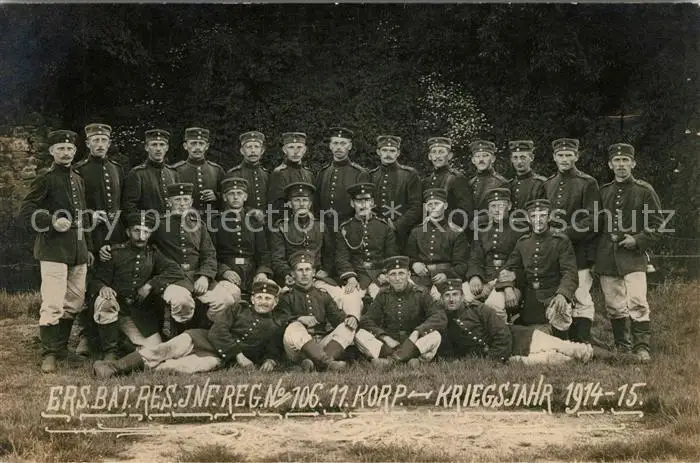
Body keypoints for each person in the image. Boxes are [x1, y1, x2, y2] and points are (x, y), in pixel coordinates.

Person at [93, 280, 287, 378]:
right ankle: (112, 368)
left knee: (179, 368)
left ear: (275, 302)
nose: (263, 302)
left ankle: (133, 370)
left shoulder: (274, 326)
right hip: (201, 338)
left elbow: (272, 350)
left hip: (218, 357)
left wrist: (270, 361)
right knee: (162, 350)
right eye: (259, 297)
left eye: (268, 298)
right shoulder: (238, 308)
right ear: (252, 299)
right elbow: (218, 331)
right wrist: (239, 355)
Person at [19, 130, 94, 373]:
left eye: (70, 149)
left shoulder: (78, 179)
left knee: (74, 302)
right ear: (52, 151)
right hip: (53, 249)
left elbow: (83, 216)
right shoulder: (46, 178)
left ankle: (61, 349)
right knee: (53, 302)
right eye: (61, 148)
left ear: (75, 151)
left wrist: (88, 247)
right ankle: (49, 353)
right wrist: (51, 220)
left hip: (78, 249)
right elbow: (26, 209)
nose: (66, 153)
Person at [87, 212, 188, 359]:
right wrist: (103, 287)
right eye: (136, 231)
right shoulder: (114, 252)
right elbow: (96, 280)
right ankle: (110, 351)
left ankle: (124, 342)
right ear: (128, 232)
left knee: (154, 349)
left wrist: (151, 284)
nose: (141, 236)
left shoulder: (153, 253)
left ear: (150, 234)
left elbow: (175, 270)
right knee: (105, 301)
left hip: (137, 313)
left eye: (146, 232)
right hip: (116, 306)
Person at [596, 143, 663, 362]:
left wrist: (638, 240)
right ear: (610, 164)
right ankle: (622, 347)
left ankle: (641, 347)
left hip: (633, 258)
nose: (621, 165)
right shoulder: (603, 192)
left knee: (637, 301)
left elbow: (658, 225)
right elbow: (595, 224)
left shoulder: (644, 191)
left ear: (633, 163)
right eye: (617, 161)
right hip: (607, 257)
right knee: (614, 305)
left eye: (625, 160)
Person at [438, 279, 602, 365]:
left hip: (521, 338)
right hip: (512, 358)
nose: (451, 299)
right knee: (557, 360)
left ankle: (612, 357)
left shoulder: (478, 309)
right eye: (447, 296)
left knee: (571, 348)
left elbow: (502, 333)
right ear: (442, 299)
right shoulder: (445, 322)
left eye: (455, 295)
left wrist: (494, 360)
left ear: (462, 297)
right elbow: (450, 352)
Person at [72, 122, 125, 358]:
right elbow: (76, 205)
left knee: (113, 278)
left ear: (109, 143)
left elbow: (121, 204)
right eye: (96, 140)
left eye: (104, 140)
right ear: (88, 143)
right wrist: (90, 217)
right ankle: (87, 334)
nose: (100, 144)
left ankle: (114, 332)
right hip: (90, 233)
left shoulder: (117, 169)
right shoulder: (79, 170)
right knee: (89, 280)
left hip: (115, 233)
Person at [542, 138, 600, 342]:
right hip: (555, 250)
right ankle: (564, 340)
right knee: (560, 293)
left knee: (581, 295)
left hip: (579, 249)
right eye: (560, 155)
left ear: (576, 156)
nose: (564, 159)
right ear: (554, 157)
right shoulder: (548, 183)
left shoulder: (587, 183)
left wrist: (566, 232)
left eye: (569, 155)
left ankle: (583, 339)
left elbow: (593, 219)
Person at [500, 199, 579, 339]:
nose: (538, 220)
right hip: (529, 297)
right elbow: (509, 267)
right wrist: (507, 288)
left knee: (559, 313)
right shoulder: (523, 242)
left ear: (549, 218)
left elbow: (570, 272)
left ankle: (564, 340)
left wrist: (562, 294)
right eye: (533, 216)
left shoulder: (560, 241)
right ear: (528, 219)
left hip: (553, 294)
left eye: (542, 215)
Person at [354, 256, 447, 368]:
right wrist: (384, 337)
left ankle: (392, 361)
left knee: (435, 336)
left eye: (401, 273)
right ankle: (411, 359)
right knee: (359, 335)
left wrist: (417, 332)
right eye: (393, 274)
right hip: (391, 343)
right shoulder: (383, 294)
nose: (397, 278)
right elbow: (367, 320)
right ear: (387, 277)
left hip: (414, 342)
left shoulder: (421, 293)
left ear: (409, 275)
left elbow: (439, 316)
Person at [278, 251, 356, 371]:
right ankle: (327, 363)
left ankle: (319, 363)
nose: (304, 274)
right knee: (294, 326)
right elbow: (279, 320)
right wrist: (298, 319)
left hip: (322, 345)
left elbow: (337, 318)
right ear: (293, 274)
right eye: (300, 270)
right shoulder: (287, 296)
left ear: (313, 272)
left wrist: (350, 318)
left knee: (348, 326)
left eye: (307, 269)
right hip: (297, 349)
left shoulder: (322, 294)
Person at [335, 182, 399, 319]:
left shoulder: (383, 227)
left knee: (388, 301)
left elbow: (391, 254)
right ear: (352, 203)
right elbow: (341, 257)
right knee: (349, 300)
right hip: (358, 276)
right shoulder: (345, 228)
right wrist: (350, 277)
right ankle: (353, 327)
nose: (363, 205)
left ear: (372, 203)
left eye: (367, 200)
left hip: (379, 275)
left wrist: (385, 273)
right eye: (359, 201)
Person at [463, 188, 525, 322]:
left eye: (501, 206)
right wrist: (475, 277)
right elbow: (475, 258)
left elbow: (519, 262)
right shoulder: (482, 230)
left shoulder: (520, 231)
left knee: (493, 306)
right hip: (485, 278)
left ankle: (502, 332)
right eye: (493, 206)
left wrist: (505, 285)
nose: (497, 210)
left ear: (509, 206)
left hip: (510, 283)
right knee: (461, 297)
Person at [268, 182, 338, 298]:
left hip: (318, 277)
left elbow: (329, 254)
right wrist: (287, 273)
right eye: (297, 200)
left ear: (310, 204)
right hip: (292, 277)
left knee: (338, 296)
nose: (301, 204)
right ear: (290, 204)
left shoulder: (320, 226)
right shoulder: (281, 227)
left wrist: (326, 270)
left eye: (305, 200)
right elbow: (277, 259)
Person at [211, 177, 273, 298]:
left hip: (252, 272)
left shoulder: (254, 221)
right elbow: (210, 254)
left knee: (271, 291)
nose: (235, 197)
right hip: (228, 272)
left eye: (239, 193)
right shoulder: (215, 222)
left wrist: (262, 272)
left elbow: (264, 253)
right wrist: (224, 271)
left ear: (245, 197)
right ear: (224, 197)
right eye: (231, 194)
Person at [405, 188, 468, 299]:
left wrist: (447, 274)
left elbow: (462, 265)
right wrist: (414, 264)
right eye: (430, 204)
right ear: (426, 207)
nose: (433, 207)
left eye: (437, 203)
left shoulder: (456, 232)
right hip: (421, 278)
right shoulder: (416, 231)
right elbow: (408, 257)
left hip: (446, 279)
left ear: (445, 206)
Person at [369, 135, 423, 248]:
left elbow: (416, 206)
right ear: (378, 152)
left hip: (402, 234)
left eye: (392, 151)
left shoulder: (409, 175)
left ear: (398, 153)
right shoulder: (372, 175)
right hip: (376, 231)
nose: (388, 154)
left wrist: (397, 226)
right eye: (384, 150)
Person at [315, 127, 370, 224]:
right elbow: (316, 203)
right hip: (325, 226)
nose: (338, 147)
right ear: (330, 146)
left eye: (343, 143)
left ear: (350, 146)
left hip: (349, 226)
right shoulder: (323, 172)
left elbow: (363, 206)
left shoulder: (359, 173)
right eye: (335, 143)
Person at [122, 128, 179, 217]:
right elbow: (130, 208)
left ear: (167, 148)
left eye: (162, 145)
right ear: (146, 147)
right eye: (154, 145)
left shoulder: (173, 173)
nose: (158, 149)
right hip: (149, 224)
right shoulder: (137, 174)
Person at [422, 136, 473, 228]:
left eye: (441, 152)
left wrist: (441, 218)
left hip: (449, 230)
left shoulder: (457, 179)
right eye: (434, 152)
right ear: (429, 156)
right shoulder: (427, 181)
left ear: (449, 155)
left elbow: (466, 212)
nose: (437, 156)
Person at [173, 127, 225, 217]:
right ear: (185, 146)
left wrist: (216, 196)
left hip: (212, 219)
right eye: (193, 143)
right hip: (185, 219)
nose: (197, 147)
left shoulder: (217, 170)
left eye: (201, 143)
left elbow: (228, 196)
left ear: (207, 146)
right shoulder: (175, 170)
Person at [267, 132, 314, 215]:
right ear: (284, 150)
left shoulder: (308, 174)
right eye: (291, 147)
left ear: (304, 150)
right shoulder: (279, 173)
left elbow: (313, 201)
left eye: (299, 147)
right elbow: (276, 205)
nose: (295, 152)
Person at [226, 130, 269, 218]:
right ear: (242, 151)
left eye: (256, 147)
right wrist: (250, 211)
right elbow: (227, 203)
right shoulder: (233, 174)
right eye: (249, 147)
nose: (253, 151)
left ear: (262, 150)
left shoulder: (267, 175)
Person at [467, 139, 508, 228]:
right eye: (477, 156)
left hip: (492, 229)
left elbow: (505, 212)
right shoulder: (471, 183)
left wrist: (481, 219)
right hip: (471, 230)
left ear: (493, 159)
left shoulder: (501, 182)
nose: (481, 159)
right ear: (473, 160)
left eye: (485, 155)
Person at [507, 140, 546, 211]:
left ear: (531, 158)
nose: (519, 162)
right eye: (515, 158)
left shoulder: (540, 184)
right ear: (511, 159)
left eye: (523, 157)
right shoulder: (510, 184)